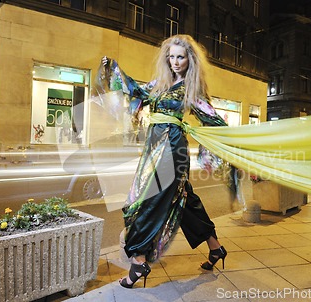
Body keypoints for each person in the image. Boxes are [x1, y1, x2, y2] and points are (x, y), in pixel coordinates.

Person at [99, 34, 231, 289]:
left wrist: (237, 147)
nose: (175, 62)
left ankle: (138, 261)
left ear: (190, 59)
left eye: (180, 57)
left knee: (142, 201)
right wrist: (114, 71)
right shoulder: (160, 84)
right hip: (154, 148)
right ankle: (216, 249)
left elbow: (214, 121)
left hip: (172, 149)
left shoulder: (192, 90)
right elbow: (136, 91)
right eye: (171, 57)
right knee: (185, 201)